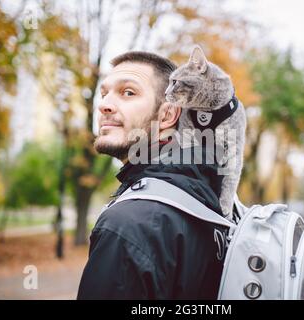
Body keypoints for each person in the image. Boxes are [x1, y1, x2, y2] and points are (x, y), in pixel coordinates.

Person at [77, 51, 228, 299]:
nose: (104, 105)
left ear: (168, 115)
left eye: (128, 92)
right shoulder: (206, 201)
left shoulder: (127, 224)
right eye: (104, 93)